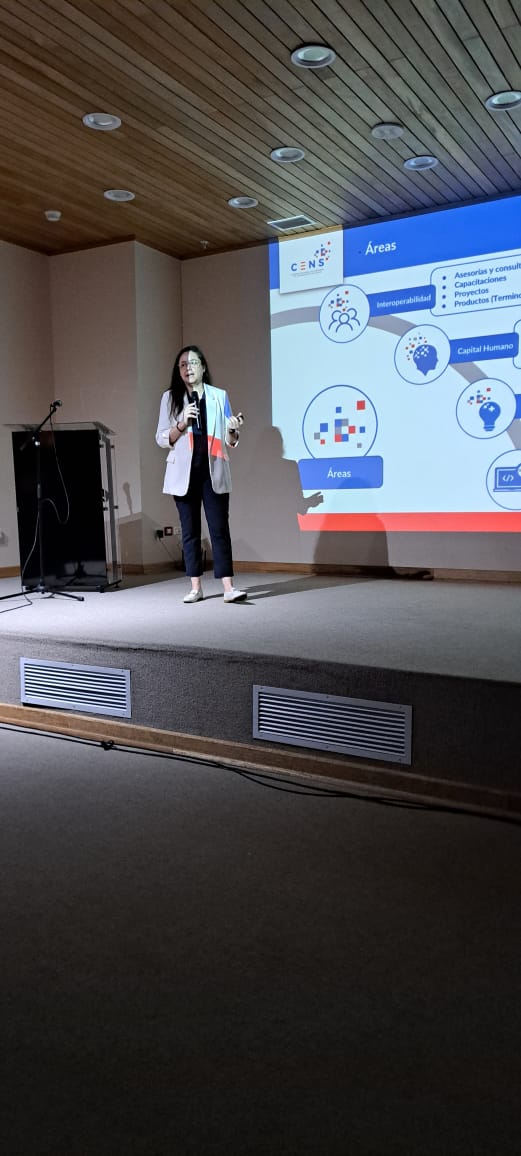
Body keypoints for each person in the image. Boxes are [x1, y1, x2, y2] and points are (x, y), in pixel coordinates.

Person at [155, 345, 246, 603]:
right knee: (190, 531)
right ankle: (196, 587)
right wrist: (182, 422)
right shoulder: (170, 398)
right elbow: (161, 438)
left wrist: (233, 429)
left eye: (193, 363)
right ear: (179, 371)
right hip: (184, 473)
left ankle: (228, 587)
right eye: (183, 364)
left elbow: (230, 440)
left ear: (203, 367)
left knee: (219, 529)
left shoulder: (219, 396)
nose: (188, 368)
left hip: (213, 470)